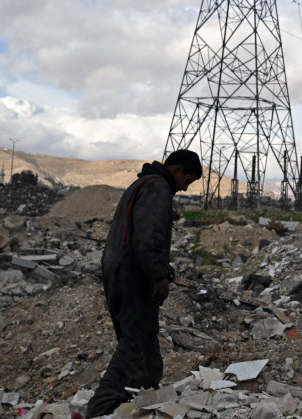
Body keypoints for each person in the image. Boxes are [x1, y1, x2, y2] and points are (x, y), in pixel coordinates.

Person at [86, 150, 201, 418]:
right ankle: (101, 407)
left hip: (121, 270)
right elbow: (148, 237)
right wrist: (158, 275)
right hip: (133, 275)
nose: (185, 188)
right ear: (178, 169)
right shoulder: (158, 187)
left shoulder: (142, 184)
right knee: (135, 341)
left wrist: (162, 270)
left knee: (144, 341)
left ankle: (145, 398)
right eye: (188, 180)